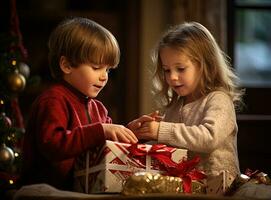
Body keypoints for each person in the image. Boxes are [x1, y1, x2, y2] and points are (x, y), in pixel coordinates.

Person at [21, 17, 138, 190]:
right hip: (46, 191)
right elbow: (53, 145)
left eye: (108, 69)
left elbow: (108, 147)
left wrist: (131, 131)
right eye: (96, 67)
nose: (104, 76)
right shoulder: (53, 100)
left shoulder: (99, 108)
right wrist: (101, 130)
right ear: (67, 65)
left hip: (80, 190)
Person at [128, 22, 244, 178]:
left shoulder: (218, 100)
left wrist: (161, 130)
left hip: (219, 188)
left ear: (205, 65)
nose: (172, 77)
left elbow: (209, 137)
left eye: (180, 68)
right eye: (167, 70)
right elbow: (169, 148)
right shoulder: (174, 107)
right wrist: (140, 137)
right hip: (185, 187)